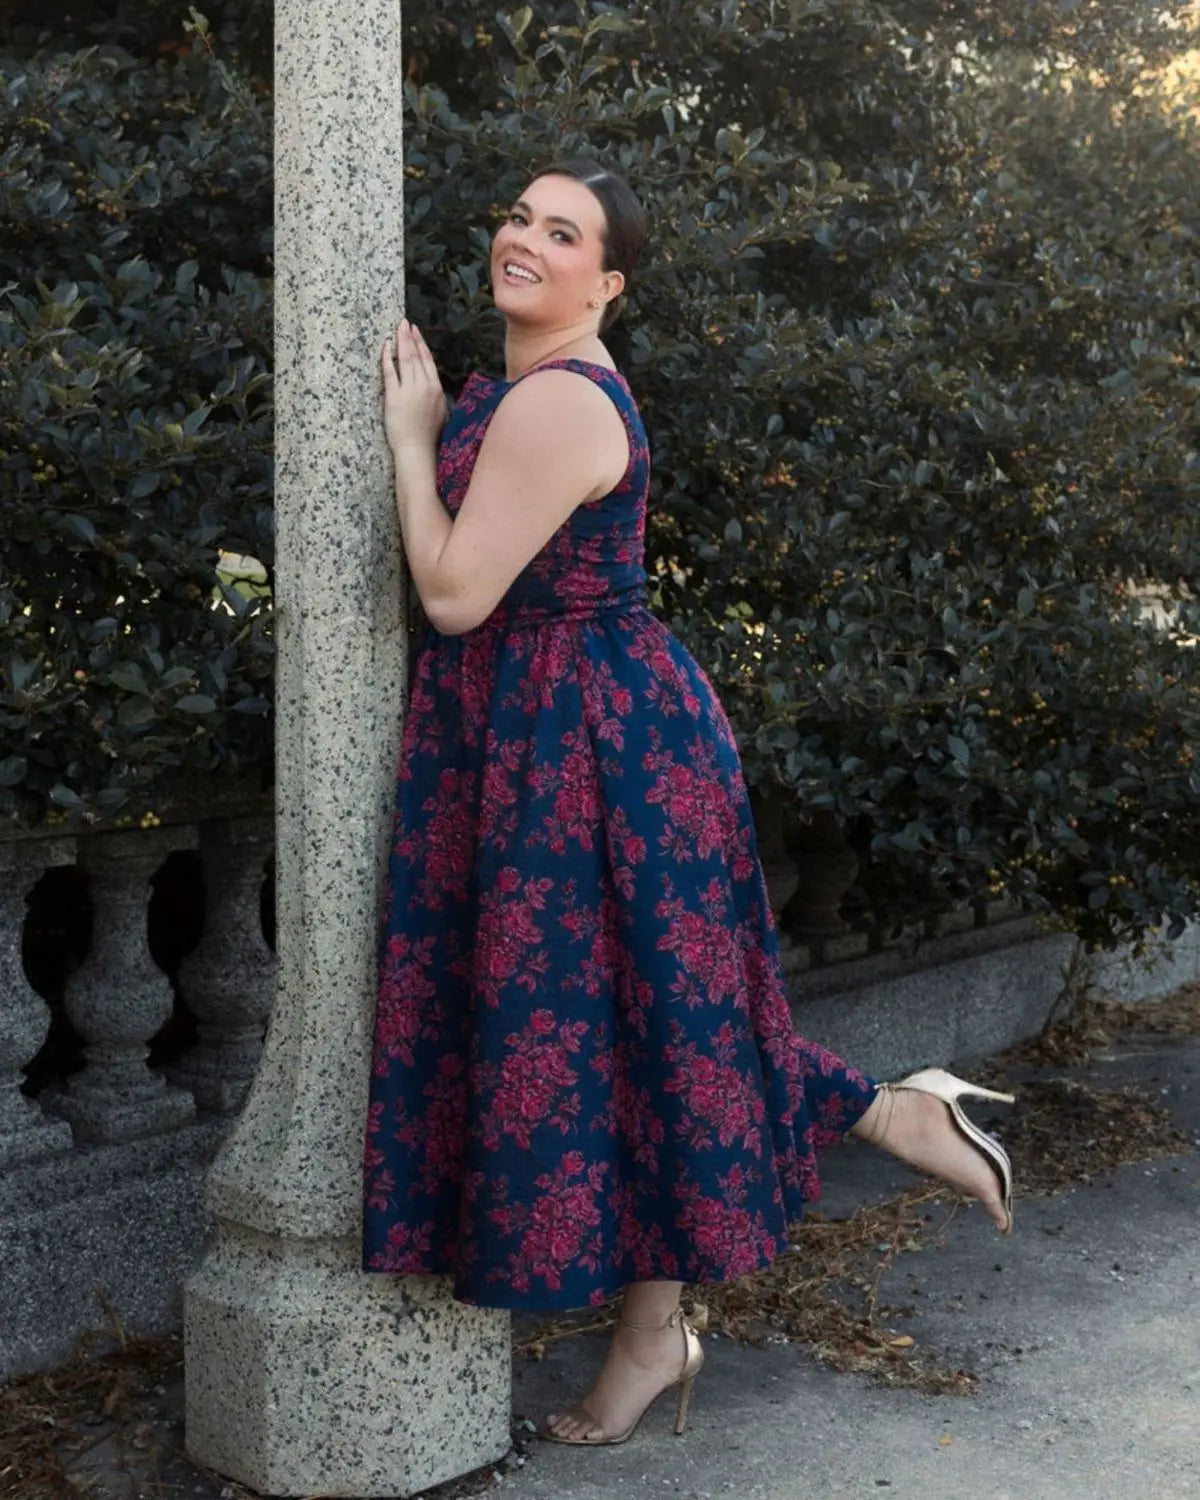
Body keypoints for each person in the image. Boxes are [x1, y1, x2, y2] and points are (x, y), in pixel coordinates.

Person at [363, 159, 1014, 1447]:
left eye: (563, 234)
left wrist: (411, 440)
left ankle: (885, 1121)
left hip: (592, 751)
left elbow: (452, 596)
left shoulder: (558, 403)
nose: (524, 240)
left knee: (658, 1025)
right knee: (652, 1026)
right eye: (520, 218)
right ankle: (679, 1313)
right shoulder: (536, 387)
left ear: (606, 283)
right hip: (567, 732)